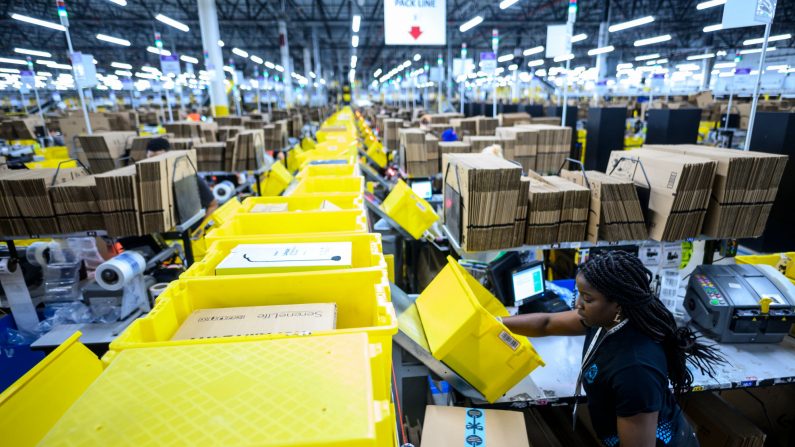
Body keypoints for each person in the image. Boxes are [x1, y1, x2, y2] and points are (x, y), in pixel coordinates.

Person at [502, 251, 724, 447]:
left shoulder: (635, 369)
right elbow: (547, 324)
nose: (578, 303)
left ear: (617, 303)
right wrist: (495, 323)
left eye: (587, 298)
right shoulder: (604, 319)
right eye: (579, 294)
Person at [145, 137, 218, 223]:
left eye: (159, 160)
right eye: (150, 159)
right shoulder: (143, 183)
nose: (154, 164)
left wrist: (200, 231)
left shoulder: (188, 177)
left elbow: (213, 205)